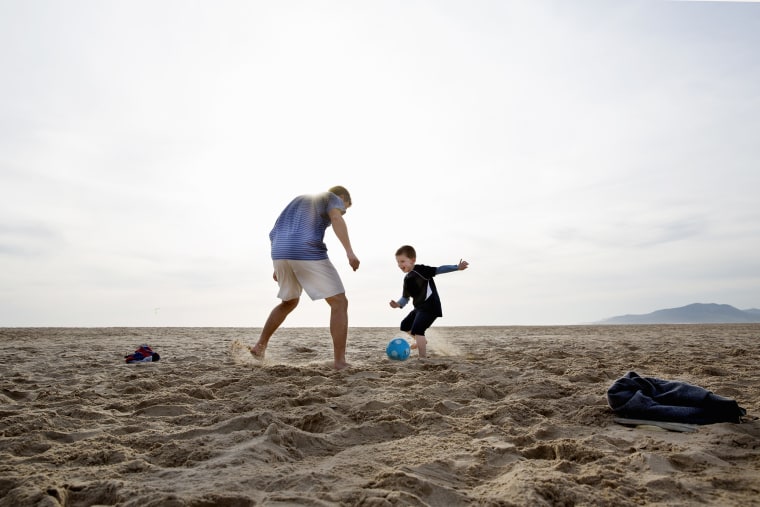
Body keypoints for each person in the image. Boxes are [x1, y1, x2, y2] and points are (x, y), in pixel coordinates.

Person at [250, 186, 360, 370]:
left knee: (289, 301)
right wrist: (350, 252)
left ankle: (260, 346)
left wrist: (278, 264)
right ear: (341, 197)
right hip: (305, 249)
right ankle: (339, 362)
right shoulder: (331, 197)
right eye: (345, 208)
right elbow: (335, 218)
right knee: (339, 302)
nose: (342, 211)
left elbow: (273, 232)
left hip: (279, 251)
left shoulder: (297, 201)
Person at [389, 245, 468, 359]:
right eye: (398, 262)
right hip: (420, 308)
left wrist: (457, 267)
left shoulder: (421, 270)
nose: (400, 265)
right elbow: (405, 298)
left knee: (418, 330)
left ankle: (422, 358)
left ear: (412, 260)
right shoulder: (407, 279)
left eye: (402, 261)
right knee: (405, 325)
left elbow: (439, 269)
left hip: (431, 306)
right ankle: (421, 341)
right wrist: (397, 304)